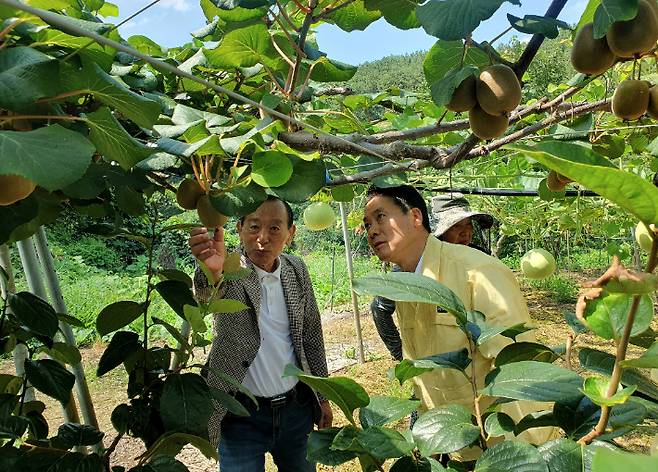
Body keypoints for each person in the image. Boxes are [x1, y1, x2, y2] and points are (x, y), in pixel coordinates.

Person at [363, 185, 553, 458]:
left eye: (381, 217)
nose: (372, 230)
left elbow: (520, 369)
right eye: (368, 223)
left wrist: (526, 452)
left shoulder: (478, 272)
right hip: (450, 442)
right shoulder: (404, 284)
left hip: (497, 447)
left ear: (416, 217)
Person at [189, 195, 332, 472]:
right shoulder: (230, 270)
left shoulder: (296, 269)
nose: (262, 238)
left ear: (291, 233)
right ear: (239, 228)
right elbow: (208, 297)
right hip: (240, 416)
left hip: (295, 411)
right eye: (254, 227)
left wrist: (323, 396)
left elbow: (312, 336)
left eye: (275, 228)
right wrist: (210, 271)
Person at [371, 193, 494, 361]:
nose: (466, 233)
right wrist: (400, 353)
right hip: (437, 364)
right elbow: (380, 308)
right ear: (440, 231)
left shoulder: (479, 259)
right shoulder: (412, 266)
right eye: (456, 226)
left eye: (469, 225)